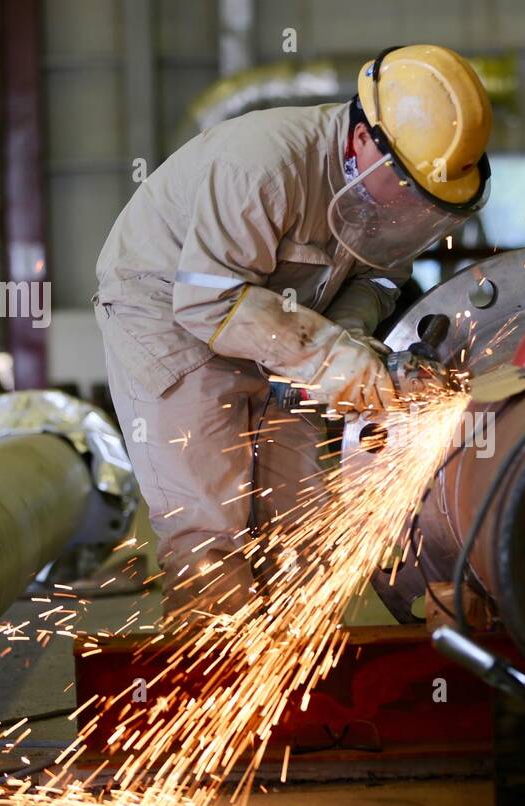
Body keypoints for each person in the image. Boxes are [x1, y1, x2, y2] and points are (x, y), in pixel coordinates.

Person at [93, 44, 492, 620]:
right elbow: (210, 301)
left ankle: (302, 693)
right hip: (170, 314)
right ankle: (212, 693)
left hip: (283, 322)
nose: (411, 212)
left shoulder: (389, 200)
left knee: (297, 524)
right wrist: (333, 359)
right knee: (212, 523)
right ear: (364, 144)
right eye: (407, 191)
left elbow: (378, 282)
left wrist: (351, 340)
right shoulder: (263, 166)